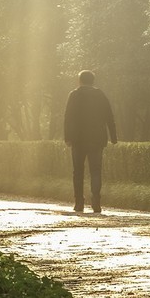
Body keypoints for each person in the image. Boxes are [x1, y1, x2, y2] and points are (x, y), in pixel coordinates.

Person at [63, 70, 117, 213]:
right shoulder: (100, 95)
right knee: (96, 171)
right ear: (93, 81)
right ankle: (96, 203)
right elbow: (109, 116)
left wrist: (67, 137)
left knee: (78, 171)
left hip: (78, 139)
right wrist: (113, 137)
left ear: (79, 81)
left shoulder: (74, 95)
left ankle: (79, 203)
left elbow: (68, 117)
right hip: (97, 139)